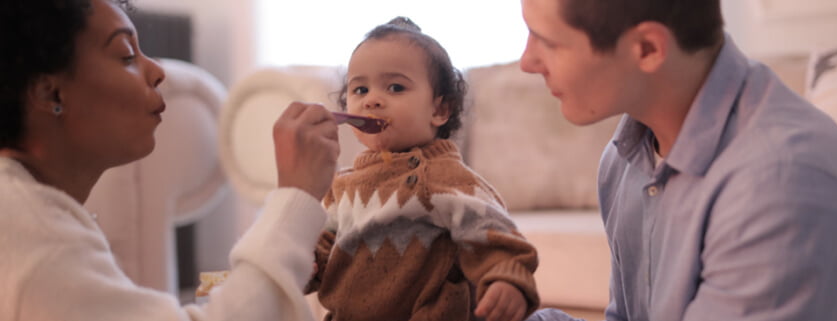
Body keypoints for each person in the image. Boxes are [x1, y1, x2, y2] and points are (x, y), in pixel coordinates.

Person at [0, 0, 339, 320]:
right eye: (126, 55)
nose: (158, 70)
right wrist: (295, 198)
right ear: (50, 93)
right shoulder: (34, 233)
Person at [518, 0, 837, 320]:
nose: (526, 62)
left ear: (647, 48)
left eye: (547, 42)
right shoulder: (626, 158)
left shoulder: (778, 185)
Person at [304, 17, 539, 321]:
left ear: (440, 109)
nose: (372, 100)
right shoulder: (343, 186)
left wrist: (507, 279)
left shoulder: (442, 177)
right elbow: (326, 247)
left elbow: (494, 233)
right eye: (360, 90)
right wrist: (304, 263)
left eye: (395, 87)